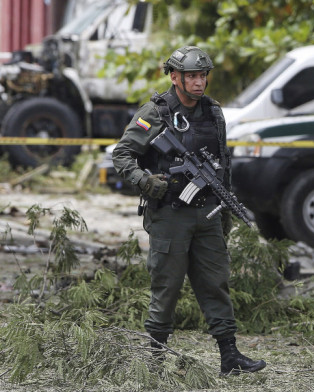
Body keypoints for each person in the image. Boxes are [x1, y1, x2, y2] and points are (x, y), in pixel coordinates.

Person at [111, 46, 266, 376]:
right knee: (166, 287)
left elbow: (223, 165)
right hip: (169, 215)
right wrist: (145, 181)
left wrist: (224, 210)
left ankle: (230, 356)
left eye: (203, 75)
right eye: (192, 76)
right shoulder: (156, 112)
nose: (199, 82)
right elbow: (122, 155)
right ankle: (154, 362)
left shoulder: (214, 112)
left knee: (216, 284)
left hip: (207, 213)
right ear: (174, 77)